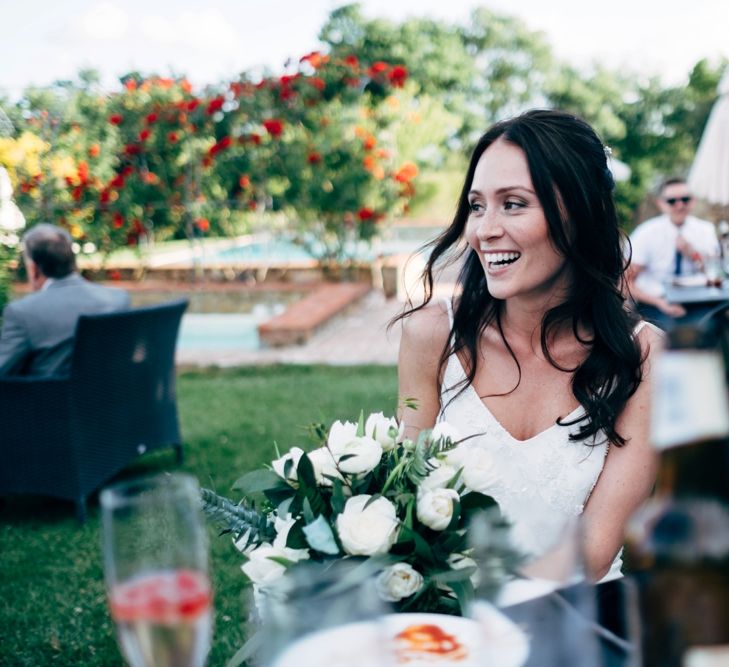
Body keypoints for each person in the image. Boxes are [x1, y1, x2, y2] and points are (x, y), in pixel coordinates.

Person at [396, 109, 660, 583]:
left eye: (513, 204)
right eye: (477, 206)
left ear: (580, 211)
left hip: (574, 620)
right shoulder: (431, 336)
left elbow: (593, 550)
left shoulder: (646, 360)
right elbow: (404, 501)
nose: (484, 230)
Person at [0, 223, 130, 377]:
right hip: (110, 399)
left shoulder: (22, 313)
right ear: (73, 263)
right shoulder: (118, 299)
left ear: (34, 269)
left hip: (46, 400)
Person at [626, 178, 719, 328]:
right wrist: (660, 303)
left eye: (685, 199)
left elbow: (714, 273)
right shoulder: (646, 233)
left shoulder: (705, 230)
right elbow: (627, 281)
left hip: (698, 301)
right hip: (655, 303)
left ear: (693, 201)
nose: (679, 205)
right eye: (672, 201)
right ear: (661, 204)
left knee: (715, 326)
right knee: (670, 334)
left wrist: (692, 254)